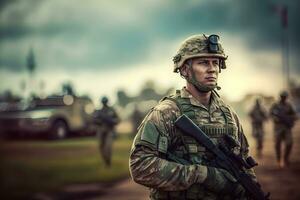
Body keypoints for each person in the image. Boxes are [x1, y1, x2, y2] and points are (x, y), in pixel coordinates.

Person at [129, 34, 257, 199]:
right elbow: (140, 166)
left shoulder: (228, 115)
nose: (212, 69)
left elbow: (244, 161)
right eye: (203, 62)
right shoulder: (166, 112)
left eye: (216, 63)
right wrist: (201, 174)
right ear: (184, 69)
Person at [270, 91, 297, 168]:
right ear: (280, 96)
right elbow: (270, 114)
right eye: (282, 96)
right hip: (278, 128)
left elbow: (295, 115)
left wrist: (290, 119)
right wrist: (275, 118)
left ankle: (285, 158)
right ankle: (279, 159)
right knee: (277, 144)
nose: (284, 98)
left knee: (289, 143)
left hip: (287, 128)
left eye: (285, 96)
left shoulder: (289, 105)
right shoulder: (275, 105)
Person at [94, 96, 119, 167]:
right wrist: (99, 121)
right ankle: (105, 161)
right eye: (103, 102)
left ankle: (108, 162)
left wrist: (112, 121)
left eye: (105, 102)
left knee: (108, 147)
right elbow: (94, 120)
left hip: (109, 131)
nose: (104, 103)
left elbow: (117, 119)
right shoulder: (99, 111)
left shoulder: (111, 110)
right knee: (101, 146)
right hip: (101, 131)